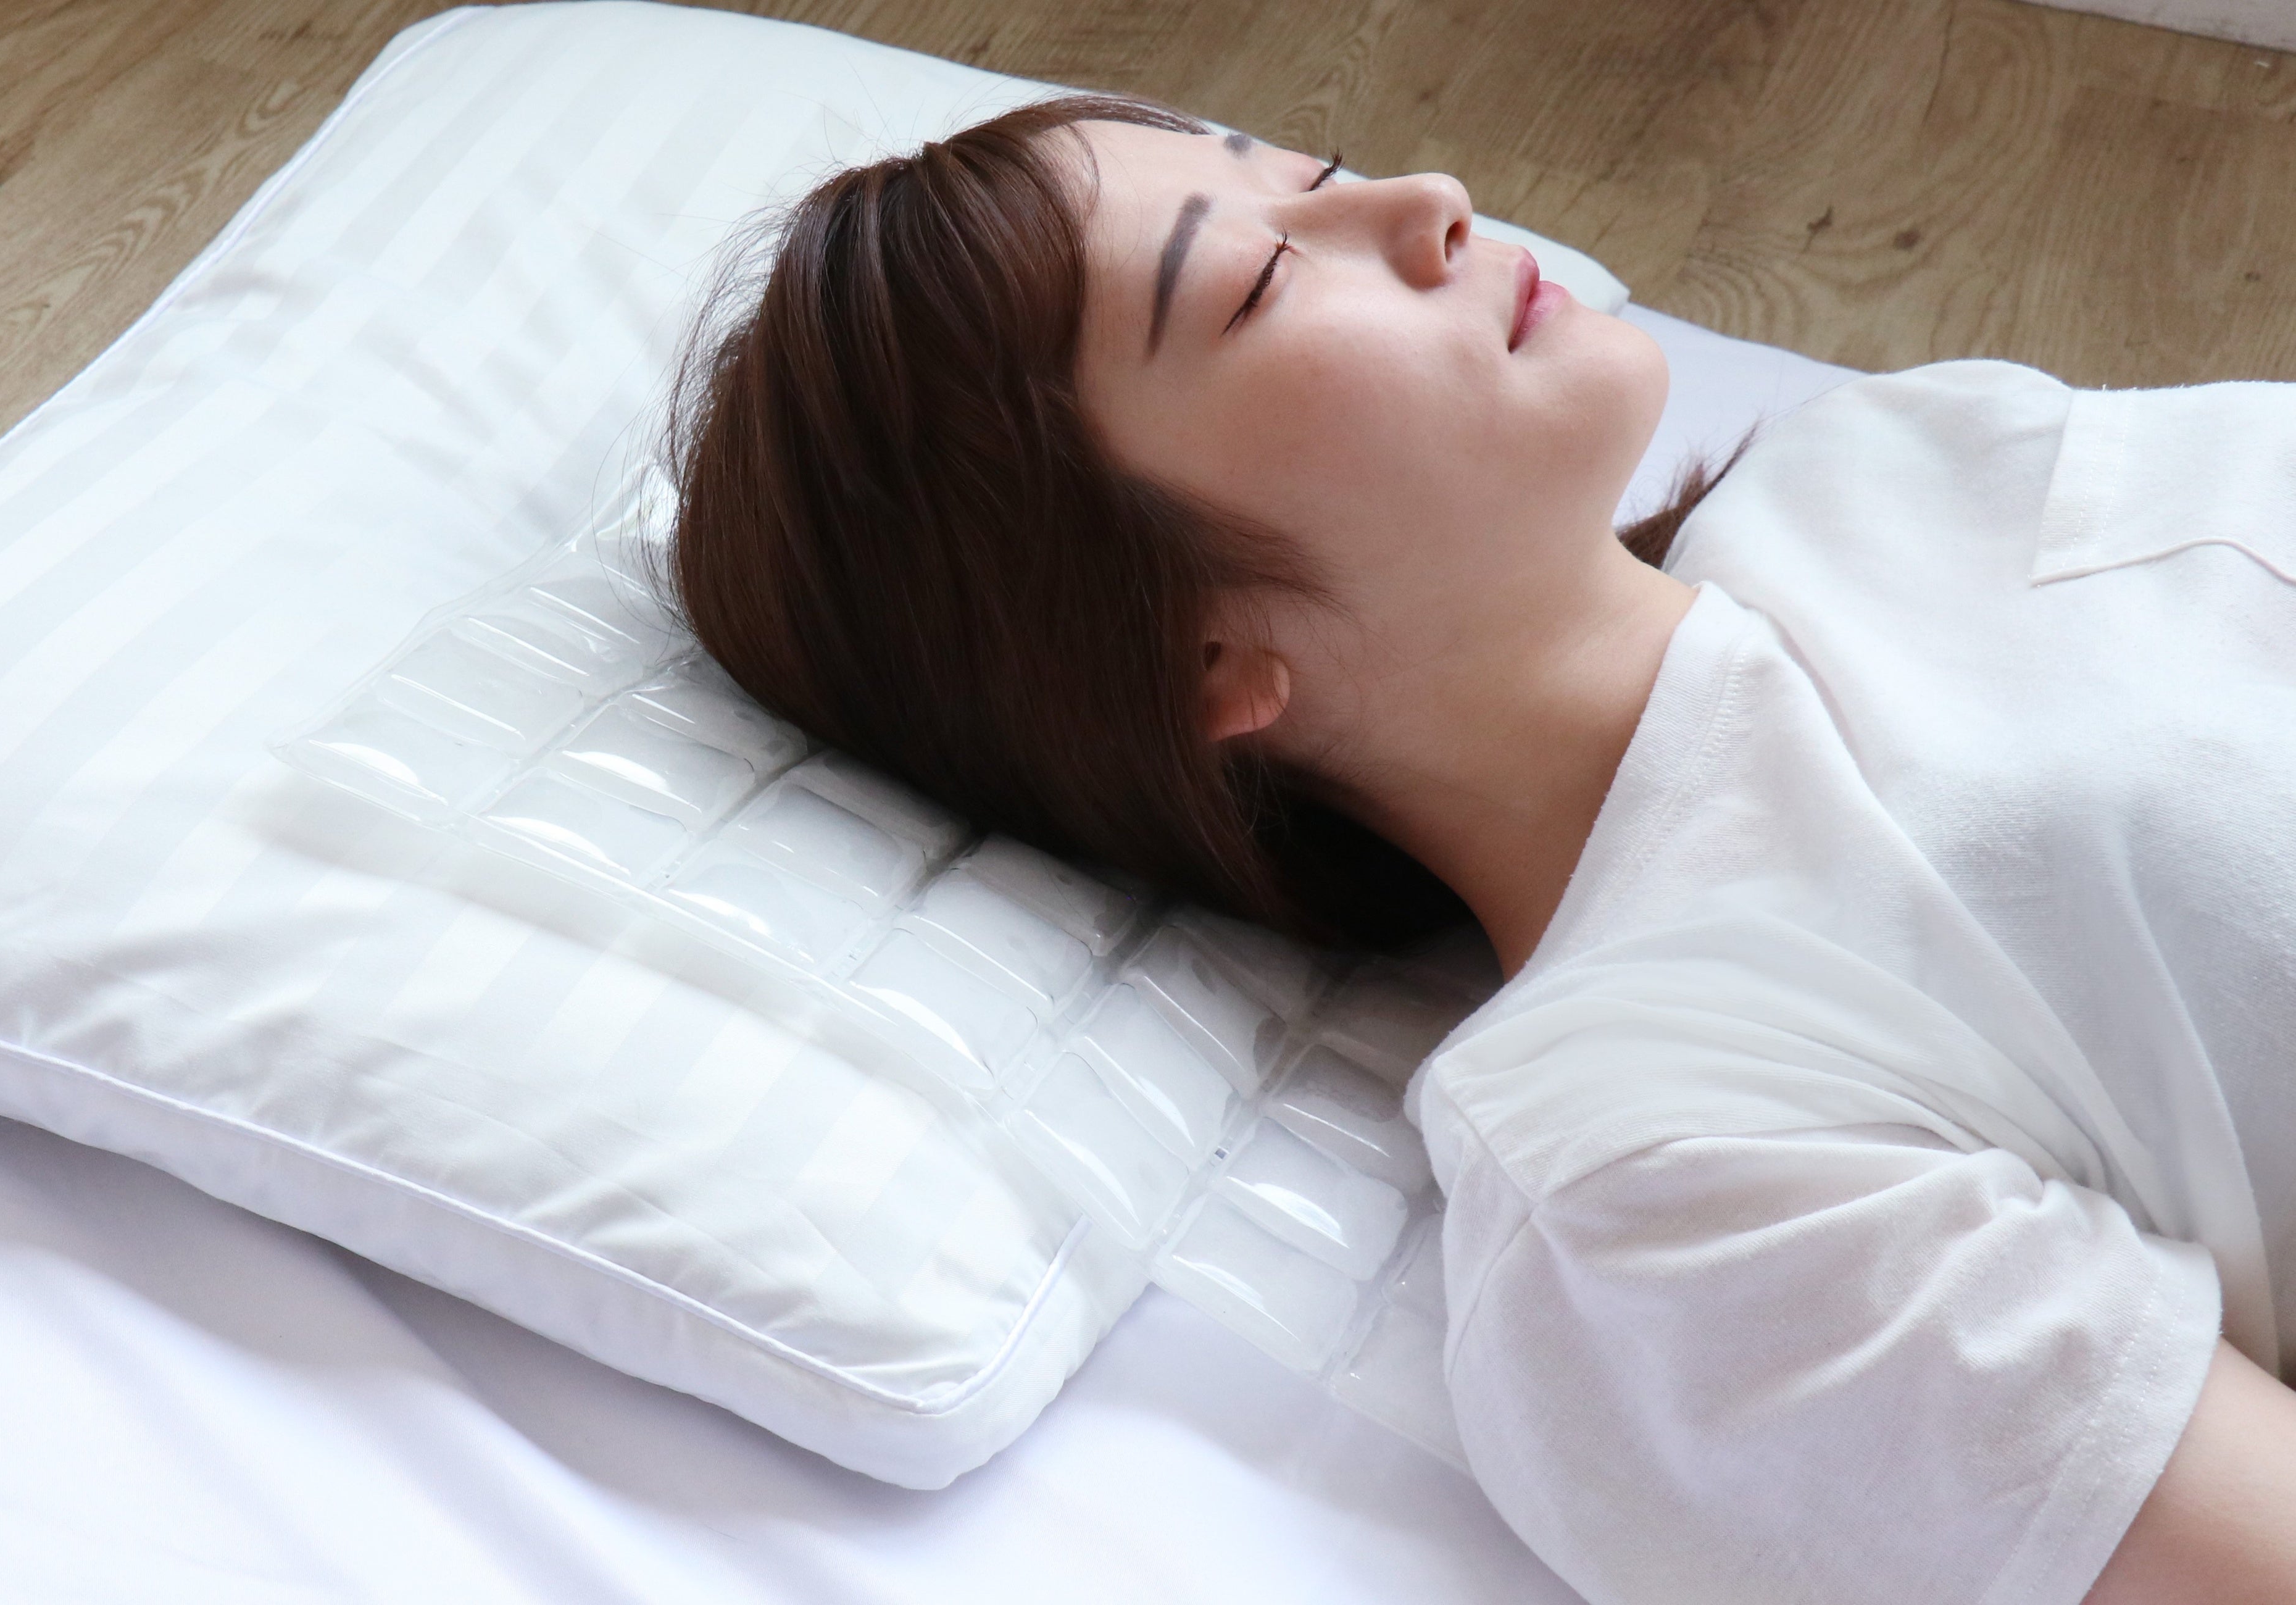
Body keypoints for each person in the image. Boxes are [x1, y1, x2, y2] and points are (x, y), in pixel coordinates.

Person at [665, 93, 2296, 1604]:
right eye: (1257, 281)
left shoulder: (1887, 451)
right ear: (1191, 658)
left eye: (1309, 173)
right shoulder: (1650, 1177)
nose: (1425, 197)